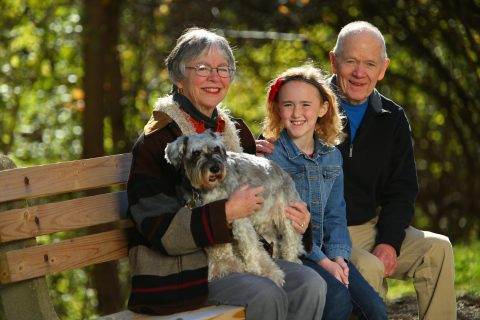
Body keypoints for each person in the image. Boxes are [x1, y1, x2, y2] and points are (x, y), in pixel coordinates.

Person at [126, 27, 326, 319]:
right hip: (185, 274)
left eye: (223, 69)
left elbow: (264, 205)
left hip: (248, 259)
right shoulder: (156, 142)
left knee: (311, 284)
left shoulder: (236, 134)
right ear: (179, 79)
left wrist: (299, 222)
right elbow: (159, 228)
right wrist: (226, 212)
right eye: (203, 68)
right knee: (265, 293)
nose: (215, 77)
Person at [329, 21, 456, 320]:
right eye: (351, 62)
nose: (360, 73)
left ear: (383, 68)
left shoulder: (392, 118)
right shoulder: (309, 104)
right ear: (333, 60)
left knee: (438, 250)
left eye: (370, 63)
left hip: (370, 226)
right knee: (371, 268)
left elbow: (402, 189)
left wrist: (388, 241)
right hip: (325, 231)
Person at [262, 64, 387, 320]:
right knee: (338, 300)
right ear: (278, 109)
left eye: (306, 104)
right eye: (288, 105)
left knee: (375, 310)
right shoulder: (270, 157)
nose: (297, 113)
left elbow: (335, 215)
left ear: (323, 108)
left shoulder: (331, 157)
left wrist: (339, 258)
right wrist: (323, 262)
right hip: (291, 254)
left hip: (325, 253)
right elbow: (287, 228)